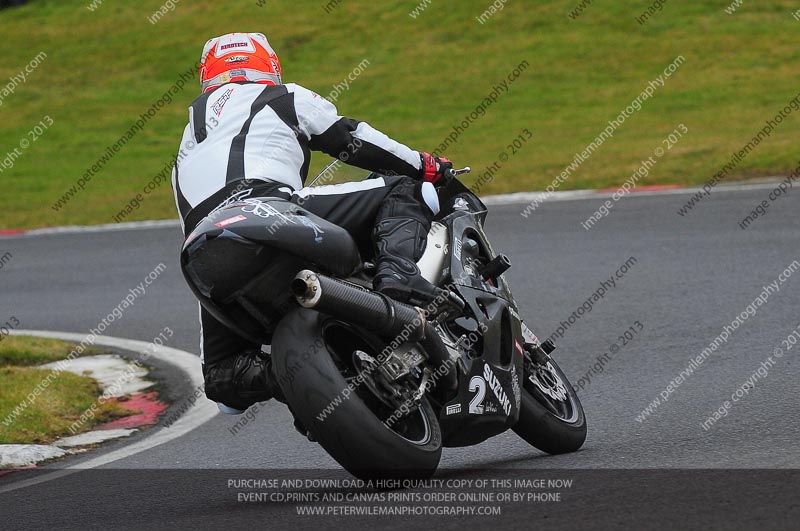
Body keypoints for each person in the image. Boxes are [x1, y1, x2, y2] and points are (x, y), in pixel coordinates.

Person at [171, 32, 454, 414]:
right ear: (269, 65)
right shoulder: (281, 96)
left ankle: (292, 378)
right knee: (405, 190)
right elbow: (351, 138)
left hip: (207, 248)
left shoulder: (184, 149)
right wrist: (426, 165)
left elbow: (198, 231)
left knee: (222, 380)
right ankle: (399, 277)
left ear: (207, 76)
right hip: (267, 207)